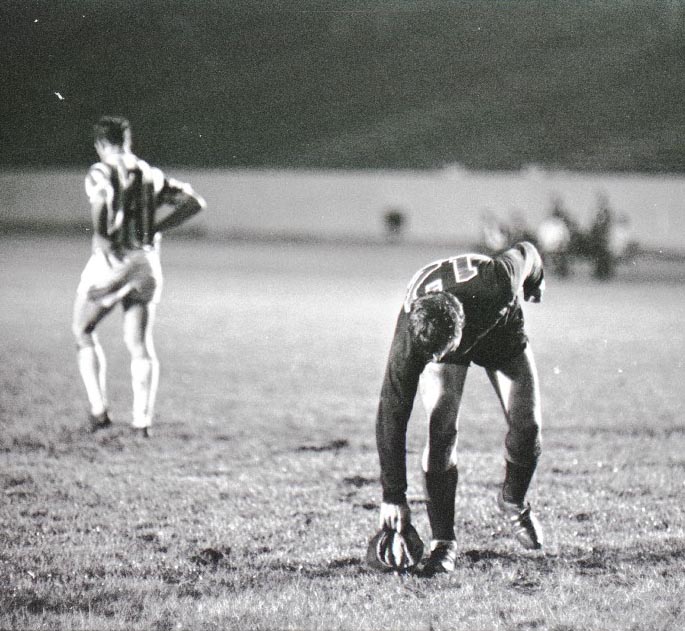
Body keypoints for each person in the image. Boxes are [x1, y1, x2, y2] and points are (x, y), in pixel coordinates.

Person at [375, 241, 545, 575]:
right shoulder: (411, 335)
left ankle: (513, 502)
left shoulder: (496, 283)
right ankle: (444, 541)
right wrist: (393, 494)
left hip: (498, 328)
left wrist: (536, 280)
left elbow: (527, 251)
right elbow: (392, 411)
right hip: (448, 324)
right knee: (441, 428)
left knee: (528, 427)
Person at [72, 116, 206, 437]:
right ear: (128, 140)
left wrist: (101, 235)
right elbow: (194, 203)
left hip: (113, 260)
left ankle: (99, 412)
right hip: (146, 263)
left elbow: (102, 197)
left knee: (82, 330)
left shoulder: (101, 170)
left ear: (101, 144)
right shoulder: (150, 174)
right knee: (139, 343)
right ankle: (141, 422)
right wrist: (158, 227)